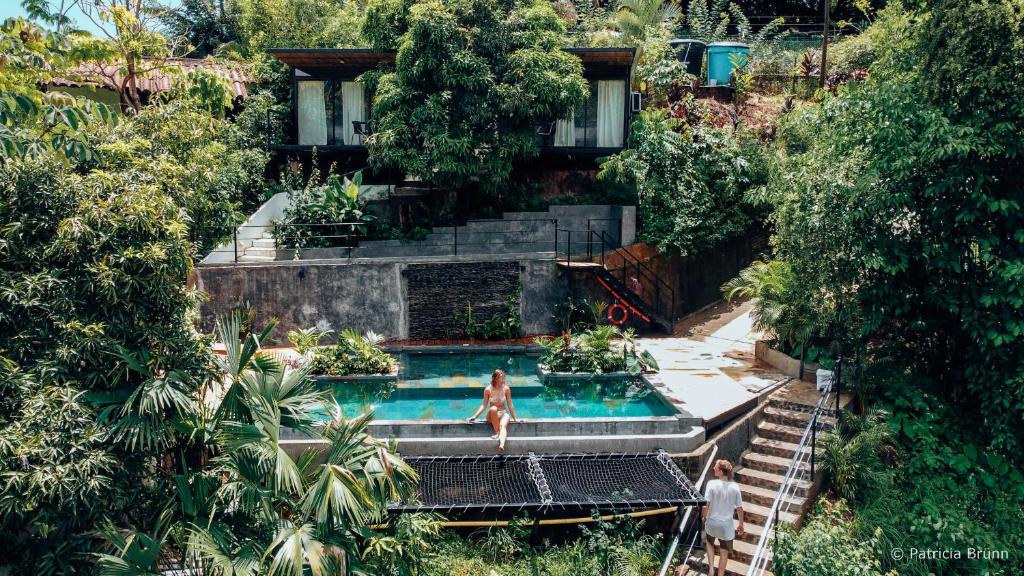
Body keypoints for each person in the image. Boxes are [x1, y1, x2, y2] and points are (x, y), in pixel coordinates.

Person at [701, 459, 744, 576]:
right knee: (724, 553)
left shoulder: (711, 484)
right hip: (726, 526)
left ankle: (711, 570)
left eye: (715, 467)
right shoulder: (735, 487)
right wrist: (741, 524)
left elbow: (706, 505)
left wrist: (704, 517)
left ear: (720, 471)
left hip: (712, 523)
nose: (713, 468)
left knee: (709, 543)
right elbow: (739, 509)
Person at [467, 369, 519, 451]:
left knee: (503, 426)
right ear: (495, 378)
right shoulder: (488, 389)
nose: (503, 380)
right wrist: (475, 416)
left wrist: (515, 418)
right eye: (500, 378)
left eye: (503, 377)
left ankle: (502, 445)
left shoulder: (506, 389)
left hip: (503, 413)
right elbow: (484, 405)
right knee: (494, 408)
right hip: (492, 415)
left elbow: (510, 404)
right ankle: (497, 433)